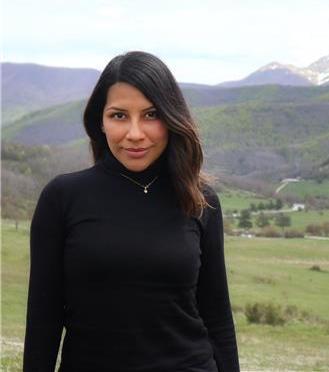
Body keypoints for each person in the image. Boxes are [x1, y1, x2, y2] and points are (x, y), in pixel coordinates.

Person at [23, 51, 239, 372]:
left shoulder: (199, 199)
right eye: (119, 116)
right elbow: (44, 319)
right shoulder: (63, 198)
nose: (135, 133)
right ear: (101, 120)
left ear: (171, 118)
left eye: (151, 115)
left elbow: (217, 315)